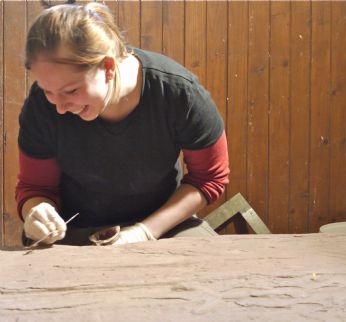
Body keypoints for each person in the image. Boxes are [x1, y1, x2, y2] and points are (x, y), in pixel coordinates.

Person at [16, 1, 229, 246]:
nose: (60, 107)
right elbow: (35, 187)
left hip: (164, 223)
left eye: (71, 90)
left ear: (108, 67)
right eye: (48, 92)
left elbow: (209, 179)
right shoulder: (41, 107)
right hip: (74, 229)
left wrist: (144, 232)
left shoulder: (177, 93)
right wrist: (36, 210)